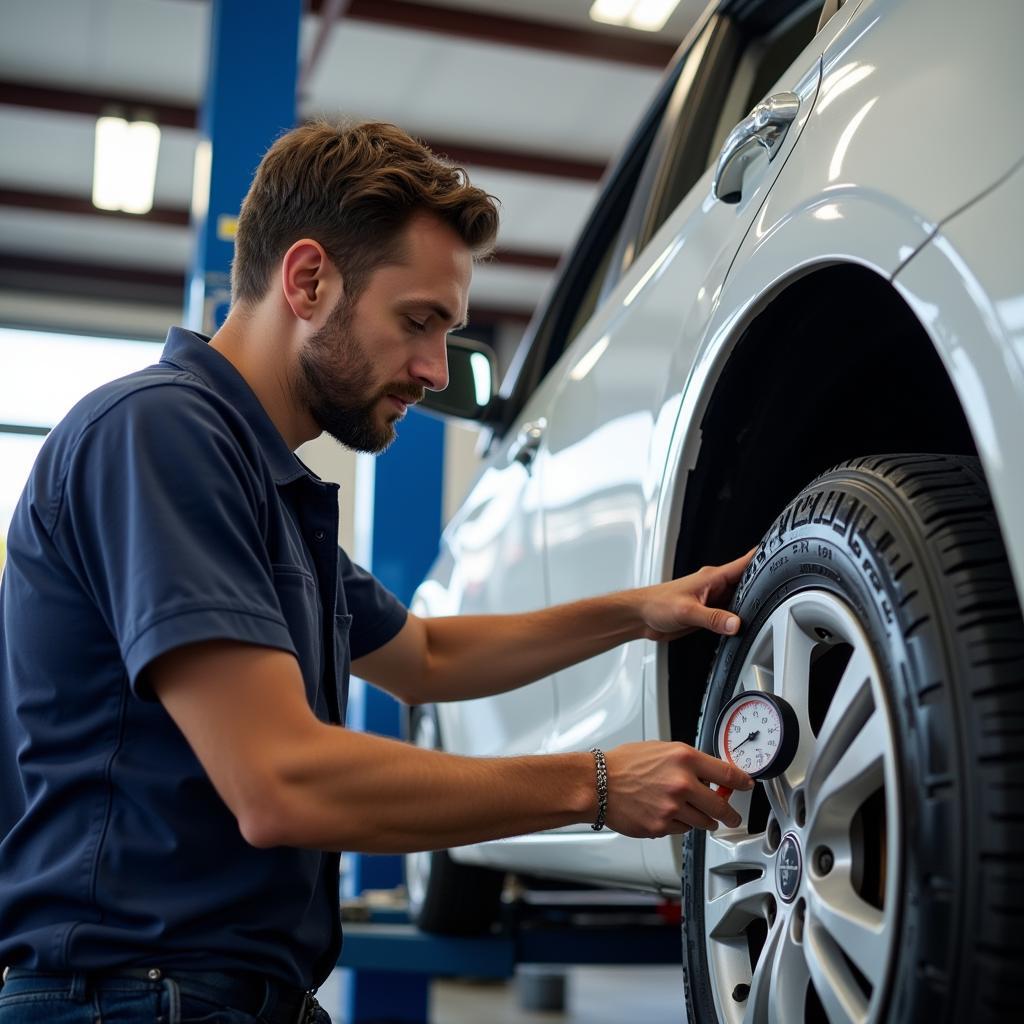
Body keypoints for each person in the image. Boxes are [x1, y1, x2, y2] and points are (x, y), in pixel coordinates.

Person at [0, 120, 754, 1023]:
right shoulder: (160, 433)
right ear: (309, 280)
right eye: (418, 322)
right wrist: (596, 785)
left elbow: (427, 655)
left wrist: (638, 611)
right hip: (132, 999)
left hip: (225, 995)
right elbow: (280, 782)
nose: (436, 371)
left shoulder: (264, 486)